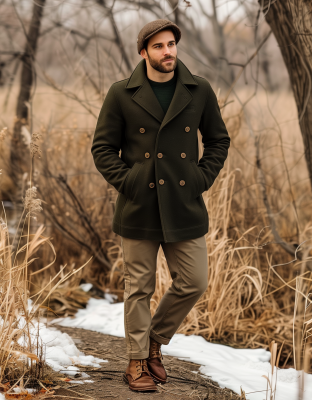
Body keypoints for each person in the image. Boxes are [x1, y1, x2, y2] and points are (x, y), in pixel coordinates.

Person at [91, 19, 230, 392]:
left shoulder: (198, 90)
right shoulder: (122, 93)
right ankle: (136, 362)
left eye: (171, 44)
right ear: (144, 52)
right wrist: (130, 181)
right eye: (158, 46)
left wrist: (200, 179)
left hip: (184, 202)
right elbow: (102, 149)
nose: (167, 51)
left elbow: (218, 141)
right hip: (139, 203)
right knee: (139, 287)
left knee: (195, 280)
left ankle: (153, 340)